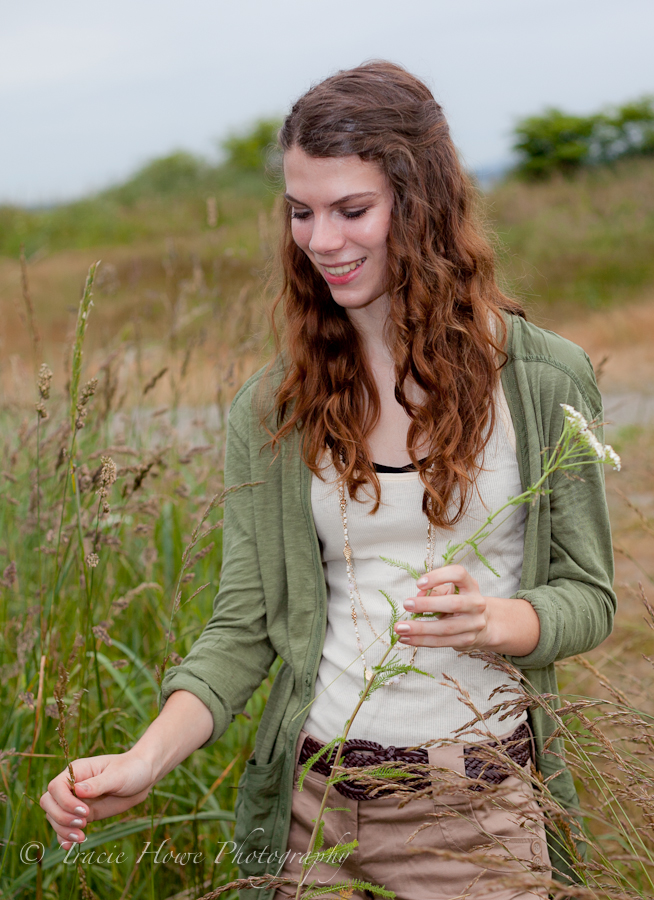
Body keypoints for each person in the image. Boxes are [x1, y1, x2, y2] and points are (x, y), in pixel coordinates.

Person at [40, 61, 616, 899]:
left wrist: (498, 618)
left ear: (425, 209)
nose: (321, 240)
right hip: (309, 815)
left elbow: (588, 596)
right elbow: (244, 628)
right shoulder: (271, 409)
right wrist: (144, 757)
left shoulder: (541, 377)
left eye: (353, 210)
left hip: (473, 812)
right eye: (300, 212)